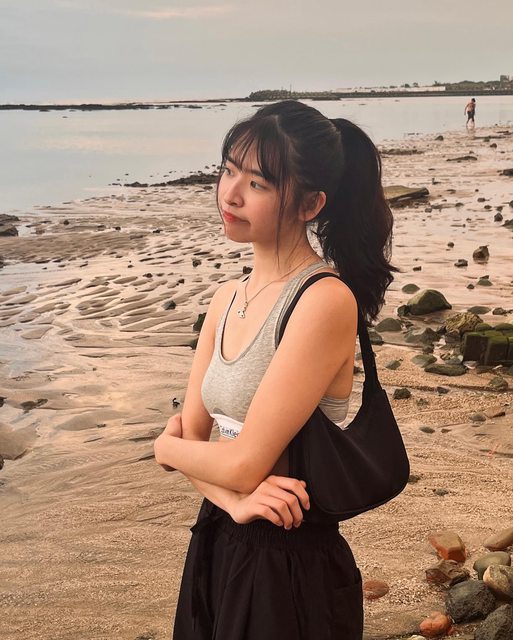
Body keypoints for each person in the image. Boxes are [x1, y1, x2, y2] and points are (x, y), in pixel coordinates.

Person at [153, 99, 396, 639]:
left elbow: (238, 461)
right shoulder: (225, 298)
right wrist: (232, 502)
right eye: (228, 170)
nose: (230, 194)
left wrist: (165, 450)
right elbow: (197, 440)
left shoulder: (323, 300)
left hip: (288, 566)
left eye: (258, 183)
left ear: (310, 204)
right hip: (217, 538)